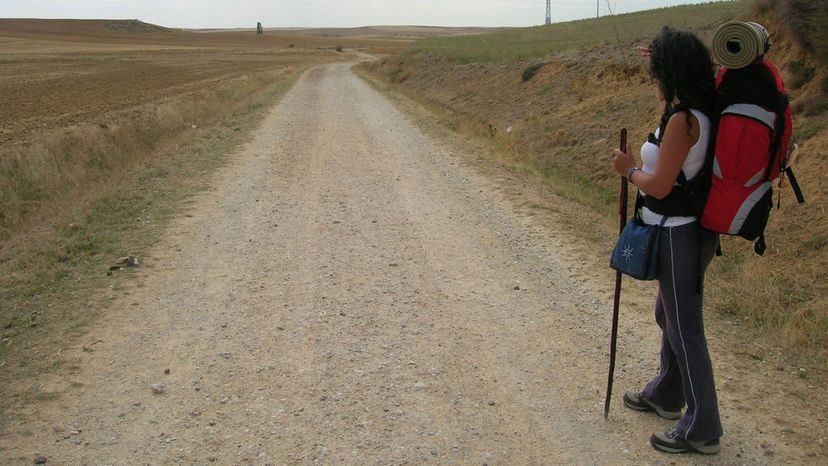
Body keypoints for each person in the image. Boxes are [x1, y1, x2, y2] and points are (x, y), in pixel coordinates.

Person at [612, 26, 722, 455]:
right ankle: (667, 393)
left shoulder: (683, 121)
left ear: (670, 71)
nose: (652, 76)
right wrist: (660, 58)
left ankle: (703, 428)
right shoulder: (693, 111)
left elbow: (658, 185)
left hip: (679, 236)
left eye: (656, 68)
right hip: (683, 234)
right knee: (669, 315)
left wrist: (628, 170)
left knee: (685, 327)